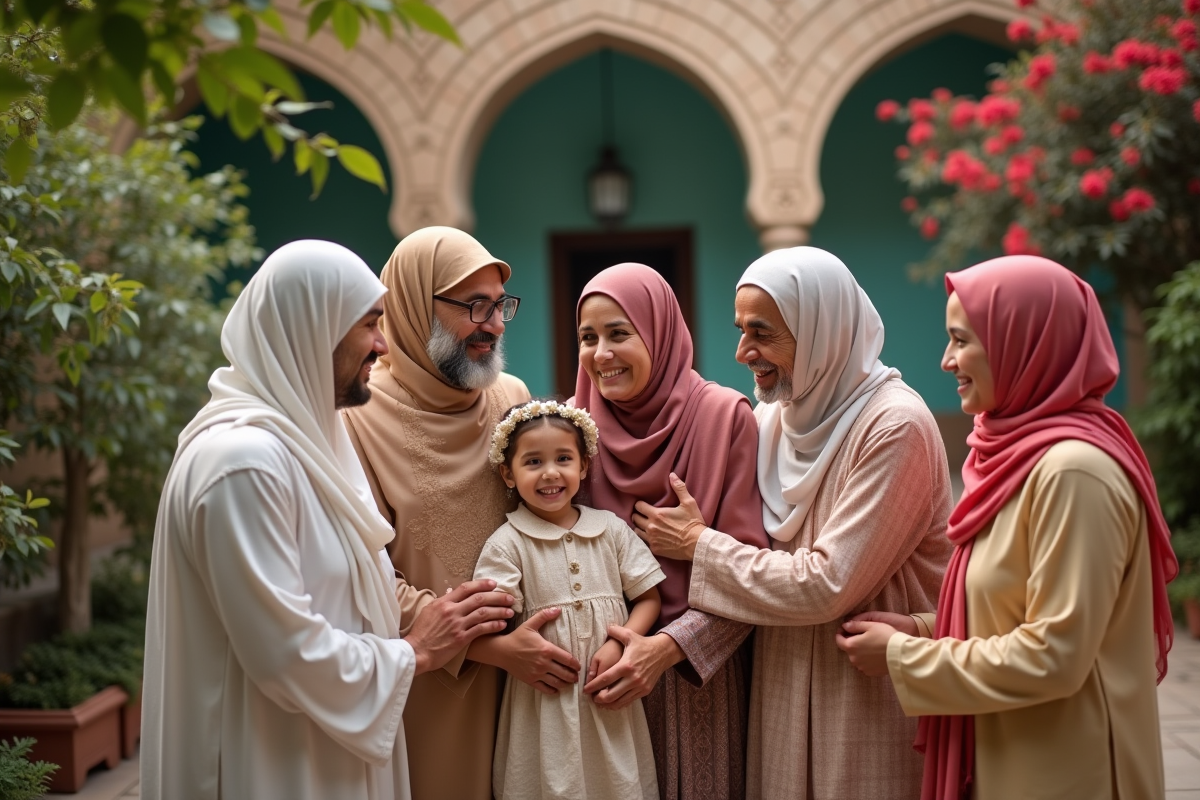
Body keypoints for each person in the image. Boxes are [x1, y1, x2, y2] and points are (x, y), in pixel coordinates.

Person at [141, 240, 516, 800]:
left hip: (325, 745)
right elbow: (286, 653)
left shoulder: (306, 439)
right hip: (272, 760)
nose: (383, 344)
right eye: (368, 326)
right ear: (312, 331)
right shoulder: (241, 464)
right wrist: (417, 650)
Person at [836, 255, 1178, 800]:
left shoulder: (1074, 473)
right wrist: (921, 629)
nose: (946, 360)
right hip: (1013, 758)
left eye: (962, 340)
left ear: (1025, 343)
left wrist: (903, 658)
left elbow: (1055, 656)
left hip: (1069, 773)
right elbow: (1011, 607)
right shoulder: (1014, 461)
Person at [633, 246, 954, 799]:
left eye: (762, 332)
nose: (742, 352)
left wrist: (698, 545)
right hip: (782, 695)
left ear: (820, 329)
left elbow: (826, 584)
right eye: (740, 330)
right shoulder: (775, 418)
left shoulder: (895, 427)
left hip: (864, 702)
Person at [341, 226, 582, 800]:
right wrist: (488, 648)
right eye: (474, 306)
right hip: (433, 684)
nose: (494, 325)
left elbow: (552, 519)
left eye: (500, 305)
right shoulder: (356, 419)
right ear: (412, 305)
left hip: (534, 680)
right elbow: (362, 573)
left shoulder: (511, 398)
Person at [571, 263, 769, 800]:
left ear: (659, 332)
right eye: (588, 338)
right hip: (596, 678)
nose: (601, 354)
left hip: (694, 679)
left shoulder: (725, 418)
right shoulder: (570, 431)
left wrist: (662, 651)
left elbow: (751, 570)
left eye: (619, 333)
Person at [475, 400, 666, 800]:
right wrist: (510, 649)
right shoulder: (507, 544)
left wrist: (620, 642)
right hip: (544, 705)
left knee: (618, 783)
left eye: (564, 458)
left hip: (609, 697)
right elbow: (482, 627)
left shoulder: (610, 530)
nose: (550, 473)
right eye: (533, 462)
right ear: (508, 474)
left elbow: (649, 598)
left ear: (583, 466)